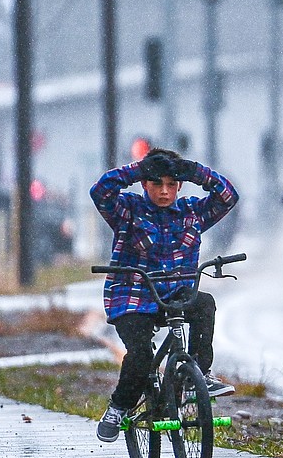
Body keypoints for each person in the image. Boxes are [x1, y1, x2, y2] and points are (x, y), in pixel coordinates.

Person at [89, 147, 239, 443]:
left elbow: (227, 197)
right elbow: (101, 192)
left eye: (171, 184)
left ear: (180, 186)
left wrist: (195, 171)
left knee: (204, 304)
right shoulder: (127, 211)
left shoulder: (191, 212)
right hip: (132, 295)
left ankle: (198, 375)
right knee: (142, 354)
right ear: (145, 184)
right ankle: (120, 406)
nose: (164, 191)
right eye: (156, 183)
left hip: (175, 293)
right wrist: (138, 169)